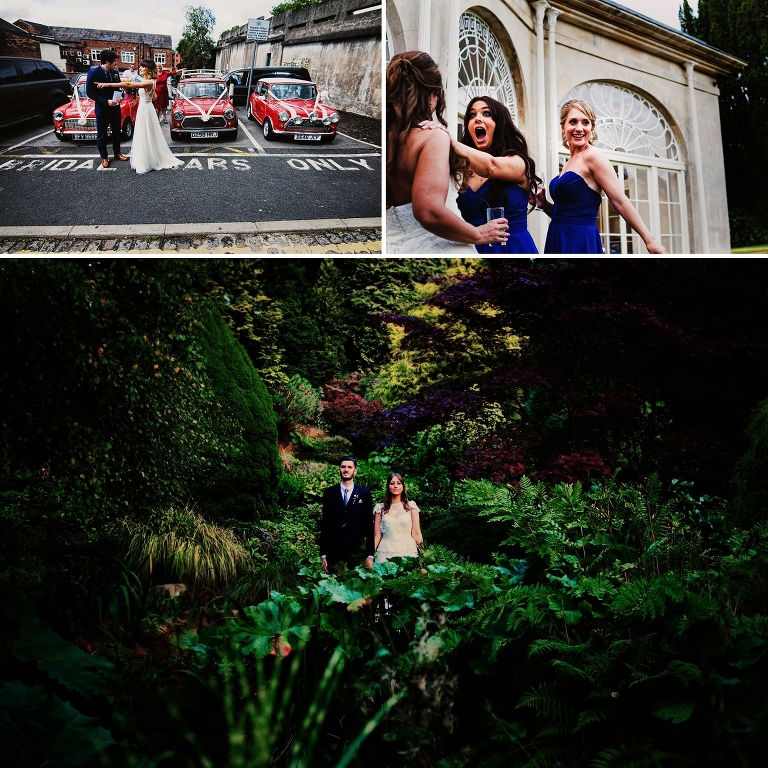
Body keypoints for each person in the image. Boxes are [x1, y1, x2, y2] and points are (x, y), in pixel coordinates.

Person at [386, 50, 509, 254]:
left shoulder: (386, 137)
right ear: (432, 95)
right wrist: (478, 234)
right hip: (436, 248)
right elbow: (429, 211)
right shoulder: (432, 136)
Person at [537, 99, 666, 254]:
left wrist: (649, 240)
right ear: (563, 127)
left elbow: (620, 201)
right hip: (557, 236)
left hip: (580, 240)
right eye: (573, 122)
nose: (579, 128)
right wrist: (544, 205)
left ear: (592, 128)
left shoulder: (593, 156)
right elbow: (565, 215)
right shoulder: (567, 163)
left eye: (585, 122)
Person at [421, 95, 540, 254]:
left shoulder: (519, 163)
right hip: (471, 248)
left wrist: (446, 139)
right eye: (472, 115)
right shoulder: (460, 169)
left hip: (512, 248)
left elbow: (491, 166)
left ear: (500, 124)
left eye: (486, 113)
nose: (477, 119)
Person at [98, 59, 182, 175]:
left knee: (145, 134)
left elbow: (128, 84)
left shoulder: (149, 82)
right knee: (145, 134)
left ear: (148, 68)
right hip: (145, 108)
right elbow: (155, 97)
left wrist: (107, 84)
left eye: (143, 67)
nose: (140, 68)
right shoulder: (148, 81)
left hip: (146, 110)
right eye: (141, 67)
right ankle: (148, 158)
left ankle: (147, 161)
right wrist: (141, 97)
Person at [319, 457, 375, 573]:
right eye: (343, 467)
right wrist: (323, 554)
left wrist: (370, 554)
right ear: (339, 469)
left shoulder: (364, 494)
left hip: (357, 550)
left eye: (350, 467)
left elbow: (369, 525)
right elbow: (325, 524)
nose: (346, 469)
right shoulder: (329, 493)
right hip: (334, 550)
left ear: (355, 471)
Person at [86, 50, 129, 169]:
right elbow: (90, 92)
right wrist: (106, 101)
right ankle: (104, 157)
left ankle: (117, 153)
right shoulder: (93, 73)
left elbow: (119, 88)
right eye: (114, 61)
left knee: (116, 132)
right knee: (102, 134)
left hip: (115, 108)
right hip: (102, 109)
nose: (117, 62)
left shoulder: (114, 73)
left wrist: (121, 97)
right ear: (107, 62)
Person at [374, 473, 423, 564]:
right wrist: (370, 555)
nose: (395, 486)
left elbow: (416, 533)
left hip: (408, 550)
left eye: (399, 483)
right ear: (388, 487)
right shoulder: (380, 508)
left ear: (403, 487)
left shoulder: (411, 507)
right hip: (386, 551)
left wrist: (422, 558)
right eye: (392, 483)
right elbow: (377, 535)